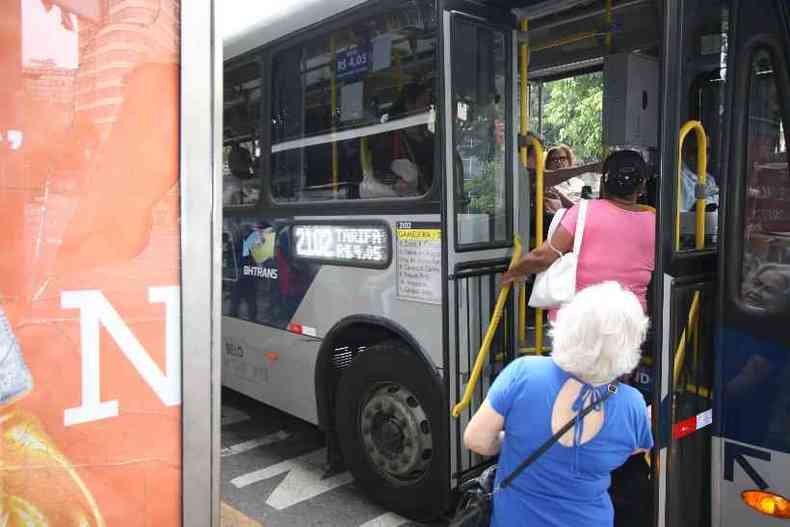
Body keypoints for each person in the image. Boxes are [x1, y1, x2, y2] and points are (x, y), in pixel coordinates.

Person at [464, 281, 653, 527]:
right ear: (629, 344)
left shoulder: (523, 373)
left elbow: (475, 439)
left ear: (569, 322)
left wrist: (512, 439)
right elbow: (634, 447)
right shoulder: (631, 405)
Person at [505, 149, 656, 320]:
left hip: (580, 322)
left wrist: (513, 272)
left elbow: (543, 257)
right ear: (642, 186)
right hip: (629, 321)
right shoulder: (655, 222)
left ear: (603, 182)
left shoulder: (583, 212)